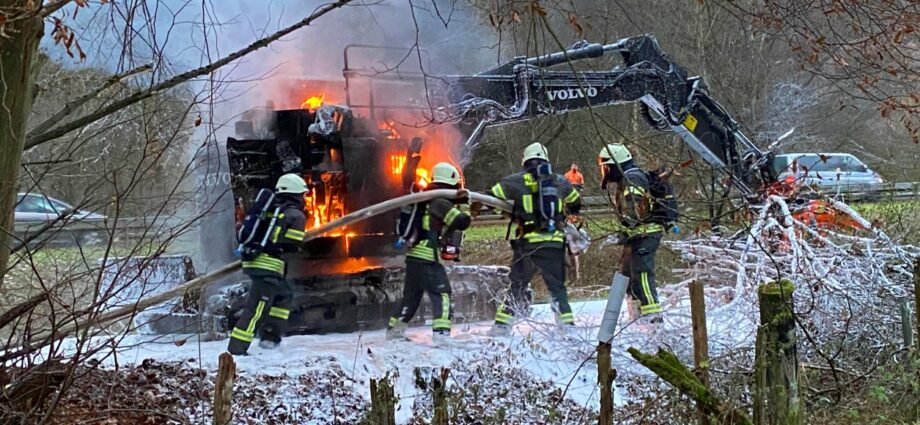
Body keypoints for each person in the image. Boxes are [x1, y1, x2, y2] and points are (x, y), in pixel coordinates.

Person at [487, 142, 582, 336]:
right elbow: (575, 204)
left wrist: (511, 214)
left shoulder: (515, 181)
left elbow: (491, 198)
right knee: (557, 287)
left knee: (518, 286)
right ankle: (567, 328)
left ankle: (501, 329)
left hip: (528, 242)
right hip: (554, 242)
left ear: (525, 160)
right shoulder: (560, 181)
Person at [386, 162, 472, 343]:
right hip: (427, 259)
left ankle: (394, 332)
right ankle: (442, 334)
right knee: (442, 294)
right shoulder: (439, 202)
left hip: (413, 258)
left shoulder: (425, 199)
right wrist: (464, 205)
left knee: (410, 299)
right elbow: (462, 221)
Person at [228, 173, 308, 355]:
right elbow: (292, 244)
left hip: (256, 261)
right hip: (268, 266)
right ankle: (236, 350)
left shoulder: (271, 209)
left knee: (284, 296)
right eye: (302, 194)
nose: (304, 198)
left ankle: (270, 337)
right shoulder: (295, 215)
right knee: (256, 309)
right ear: (295, 194)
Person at [597, 144, 663, 320]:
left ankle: (654, 321)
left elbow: (633, 210)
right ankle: (634, 319)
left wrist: (622, 233)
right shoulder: (627, 178)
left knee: (642, 278)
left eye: (607, 167)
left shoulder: (632, 178)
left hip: (643, 235)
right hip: (636, 236)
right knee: (626, 276)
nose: (605, 171)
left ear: (615, 164)